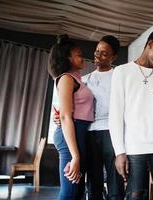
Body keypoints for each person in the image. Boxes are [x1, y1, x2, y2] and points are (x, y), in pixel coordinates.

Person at [54, 35, 125, 200]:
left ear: (113, 57)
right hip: (89, 133)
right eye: (97, 51)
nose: (98, 55)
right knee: (93, 183)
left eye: (104, 53)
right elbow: (70, 107)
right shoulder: (84, 80)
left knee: (115, 184)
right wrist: (58, 117)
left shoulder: (119, 76)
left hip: (111, 132)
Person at [109, 29, 153, 199]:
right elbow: (115, 115)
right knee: (135, 194)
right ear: (151, 44)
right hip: (134, 146)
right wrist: (119, 152)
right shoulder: (122, 72)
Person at [48, 34, 94, 200]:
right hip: (70, 134)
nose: (82, 57)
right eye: (78, 55)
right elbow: (66, 117)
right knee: (71, 192)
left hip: (78, 132)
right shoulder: (66, 79)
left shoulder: (77, 79)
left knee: (77, 191)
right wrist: (75, 156)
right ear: (67, 58)